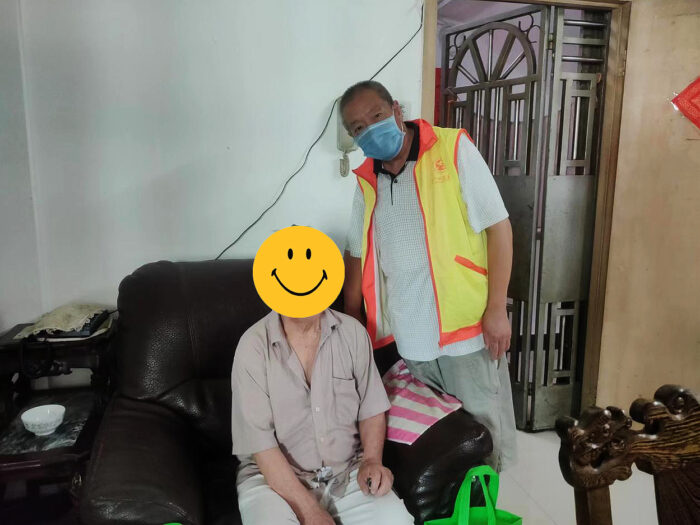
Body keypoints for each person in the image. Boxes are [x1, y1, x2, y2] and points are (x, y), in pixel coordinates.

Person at [341, 80, 517, 471]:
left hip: (467, 328)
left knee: (483, 434)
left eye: (376, 115)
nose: (369, 129)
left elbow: (499, 227)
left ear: (396, 110)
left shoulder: (452, 149)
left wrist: (496, 309)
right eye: (358, 127)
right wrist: (352, 320)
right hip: (411, 337)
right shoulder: (367, 181)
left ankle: (485, 502)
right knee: (438, 442)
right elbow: (356, 252)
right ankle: (450, 502)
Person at [231, 308, 414, 524]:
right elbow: (261, 446)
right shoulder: (252, 346)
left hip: (347, 471)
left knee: (396, 519)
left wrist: (372, 460)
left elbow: (371, 407)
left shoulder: (352, 332)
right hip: (273, 481)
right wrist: (309, 511)